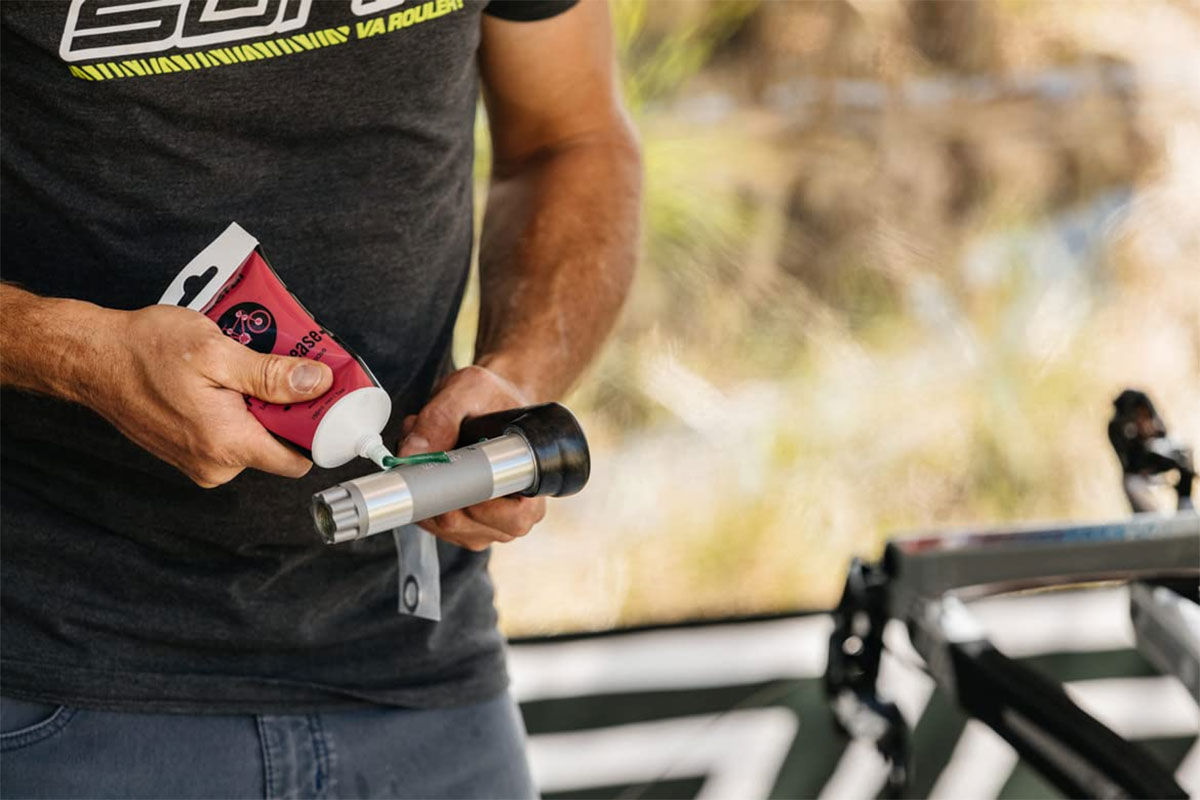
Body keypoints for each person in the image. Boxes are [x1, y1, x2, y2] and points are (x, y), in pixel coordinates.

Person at [0, 0, 640, 796]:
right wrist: (76, 356)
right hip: (54, 683)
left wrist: (519, 374)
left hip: (423, 670)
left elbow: (569, 140)